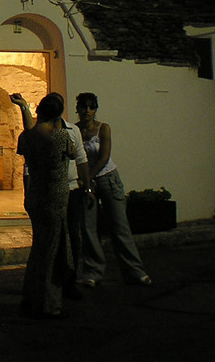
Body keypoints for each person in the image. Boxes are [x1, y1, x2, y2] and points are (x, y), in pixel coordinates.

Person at [11, 92, 92, 300]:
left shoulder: (26, 138)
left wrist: (24, 108)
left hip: (38, 193)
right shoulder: (62, 137)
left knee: (40, 247)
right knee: (53, 250)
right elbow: (75, 155)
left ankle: (32, 296)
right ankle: (49, 300)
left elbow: (31, 134)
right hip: (56, 196)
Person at [75, 92, 152, 286]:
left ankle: (135, 271)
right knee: (89, 228)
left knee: (119, 226)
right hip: (86, 182)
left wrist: (87, 177)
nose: (87, 111)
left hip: (107, 178)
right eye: (84, 107)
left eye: (91, 107)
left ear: (96, 109)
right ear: (78, 108)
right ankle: (93, 272)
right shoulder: (74, 130)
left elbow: (103, 157)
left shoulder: (103, 129)